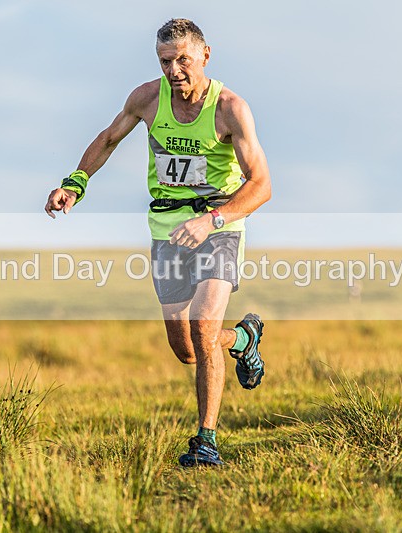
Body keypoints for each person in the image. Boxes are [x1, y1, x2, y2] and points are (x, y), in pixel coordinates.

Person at [44, 18, 272, 467]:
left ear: (205, 55)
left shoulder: (230, 108)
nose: (174, 71)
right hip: (166, 230)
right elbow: (109, 138)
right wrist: (75, 183)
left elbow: (261, 185)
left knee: (204, 327)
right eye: (165, 61)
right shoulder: (147, 98)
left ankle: (206, 442)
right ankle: (244, 337)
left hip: (219, 225)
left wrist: (212, 220)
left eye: (183, 60)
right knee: (187, 349)